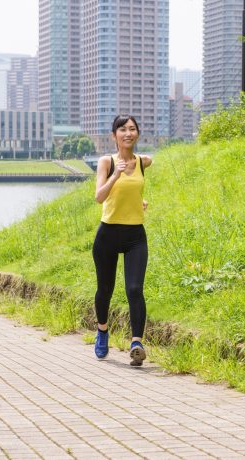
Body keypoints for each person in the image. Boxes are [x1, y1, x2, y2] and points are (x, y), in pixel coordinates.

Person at [92, 114, 152, 366]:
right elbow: (99, 197)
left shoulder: (143, 162)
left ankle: (136, 343)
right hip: (108, 234)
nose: (128, 133)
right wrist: (116, 175)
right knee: (105, 290)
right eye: (122, 129)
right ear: (114, 135)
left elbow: (134, 190)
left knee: (135, 289)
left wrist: (139, 202)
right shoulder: (106, 162)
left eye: (132, 129)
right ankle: (102, 330)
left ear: (137, 133)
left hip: (135, 235)